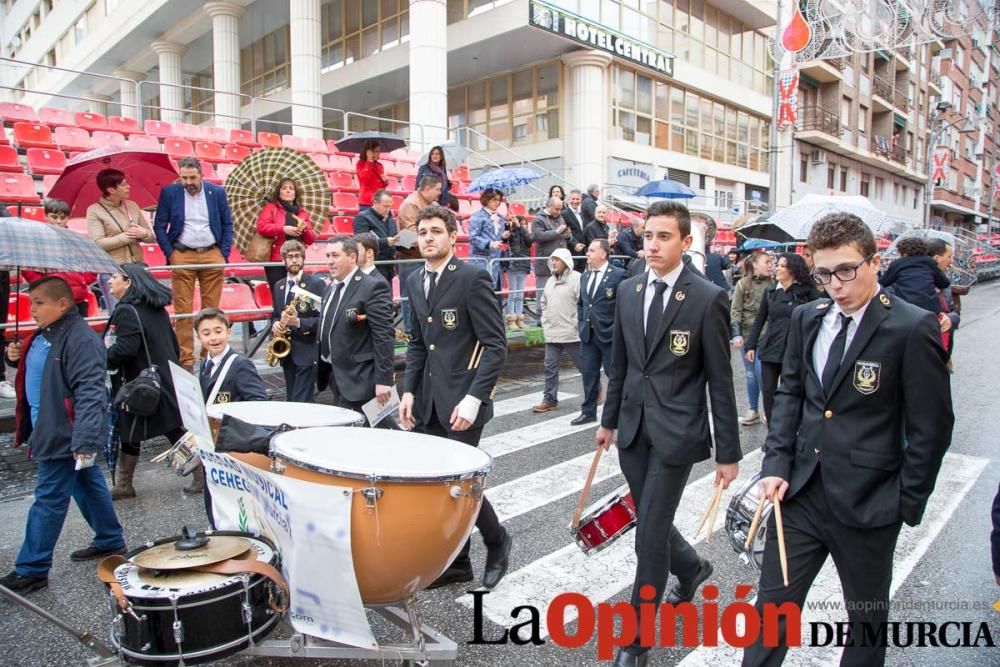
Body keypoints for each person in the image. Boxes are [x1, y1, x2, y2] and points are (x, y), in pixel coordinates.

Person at [742, 213, 954, 667]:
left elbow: (931, 427)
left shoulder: (911, 327)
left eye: (845, 270)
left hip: (869, 503)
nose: (834, 284)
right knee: (771, 615)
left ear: (875, 262)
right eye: (823, 273)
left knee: (865, 626)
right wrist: (775, 466)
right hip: (800, 496)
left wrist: (903, 501)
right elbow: (791, 397)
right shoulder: (807, 318)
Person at [596, 201, 740, 667]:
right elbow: (619, 362)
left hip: (678, 433)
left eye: (662, 237)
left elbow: (720, 380)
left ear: (685, 242)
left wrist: (728, 453)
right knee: (651, 521)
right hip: (634, 430)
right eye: (647, 236)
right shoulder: (629, 289)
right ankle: (692, 567)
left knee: (649, 535)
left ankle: (636, 643)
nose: (652, 245)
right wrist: (608, 420)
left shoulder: (707, 297)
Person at [399, 204, 512, 590]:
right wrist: (409, 390)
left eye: (435, 231)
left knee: (463, 483)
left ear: (451, 236)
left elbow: (495, 345)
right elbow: (417, 343)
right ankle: (458, 563)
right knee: (441, 485)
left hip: (463, 401)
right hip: (429, 398)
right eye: (423, 232)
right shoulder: (414, 280)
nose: (428, 237)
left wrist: (474, 398)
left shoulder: (471, 279)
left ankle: (497, 541)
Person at [0, 277, 126, 593]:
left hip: (63, 431)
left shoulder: (80, 338)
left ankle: (32, 568)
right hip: (50, 425)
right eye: (31, 303)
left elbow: (91, 392)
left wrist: (84, 440)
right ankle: (110, 538)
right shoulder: (46, 334)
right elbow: (39, 371)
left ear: (62, 304)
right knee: (86, 482)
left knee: (49, 498)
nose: (32, 310)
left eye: (39, 303)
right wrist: (13, 357)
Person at [103, 263, 184, 500]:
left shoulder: (127, 310)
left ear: (128, 282)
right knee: (142, 430)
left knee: (167, 430)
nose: (109, 281)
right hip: (160, 379)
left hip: (140, 384)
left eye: (114, 277)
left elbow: (125, 349)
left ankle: (200, 473)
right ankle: (125, 484)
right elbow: (174, 345)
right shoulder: (156, 308)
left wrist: (102, 356)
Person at [153, 156, 234, 371]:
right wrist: (170, 254)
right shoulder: (170, 192)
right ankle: (186, 360)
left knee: (212, 309)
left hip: (212, 253)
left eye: (192, 177)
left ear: (202, 175)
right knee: (183, 310)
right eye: (184, 177)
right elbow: (159, 225)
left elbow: (227, 223)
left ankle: (210, 355)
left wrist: (223, 252)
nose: (188, 181)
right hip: (182, 254)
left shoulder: (216, 192)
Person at [188, 307, 268, 502]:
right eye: (206, 333)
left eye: (218, 331)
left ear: (228, 332)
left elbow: (259, 403)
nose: (213, 338)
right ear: (198, 337)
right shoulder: (206, 364)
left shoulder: (240, 364)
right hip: (214, 443)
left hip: (234, 442)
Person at [315, 236, 395, 418]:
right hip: (335, 375)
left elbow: (384, 336)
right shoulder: (329, 289)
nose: (329, 261)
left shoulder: (373, 286)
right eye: (327, 255)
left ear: (352, 257)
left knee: (379, 429)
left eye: (335, 255)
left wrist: (384, 381)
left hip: (362, 379)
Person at [744, 253, 821, 424]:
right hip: (771, 348)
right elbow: (760, 319)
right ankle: (773, 433)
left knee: (791, 391)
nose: (776, 268)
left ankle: (791, 430)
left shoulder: (807, 292)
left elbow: (822, 313)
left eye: (781, 265)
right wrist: (750, 345)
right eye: (776, 264)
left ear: (792, 269)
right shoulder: (770, 292)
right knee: (769, 392)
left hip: (795, 350)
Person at [86, 168, 155, 311]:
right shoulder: (94, 210)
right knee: (120, 312)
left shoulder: (132, 206)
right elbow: (97, 243)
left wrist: (143, 233)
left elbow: (151, 236)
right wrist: (125, 238)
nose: (128, 186)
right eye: (123, 184)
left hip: (138, 268)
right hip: (113, 272)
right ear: (111, 189)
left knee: (144, 311)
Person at [573, 239, 625, 426]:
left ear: (603, 254)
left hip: (609, 335)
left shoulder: (618, 275)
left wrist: (614, 328)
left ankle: (620, 412)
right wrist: (581, 323)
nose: (587, 254)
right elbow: (582, 304)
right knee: (589, 375)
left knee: (615, 375)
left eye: (592, 251)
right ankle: (588, 411)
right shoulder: (585, 276)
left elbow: (623, 306)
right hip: (588, 335)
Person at [269, 240, 325, 403]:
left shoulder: (316, 284)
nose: (294, 260)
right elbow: (275, 314)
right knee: (292, 399)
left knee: (302, 402)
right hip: (286, 353)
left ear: (303, 259)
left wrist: (298, 323)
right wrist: (275, 324)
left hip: (306, 352)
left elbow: (322, 320)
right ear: (283, 260)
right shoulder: (278, 285)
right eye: (290, 256)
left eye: (298, 256)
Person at [24, 199, 96, 318]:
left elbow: (92, 264)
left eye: (62, 218)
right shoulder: (36, 240)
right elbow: (28, 269)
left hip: (77, 299)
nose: (58, 221)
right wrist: (44, 284)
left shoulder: (77, 239)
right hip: (49, 299)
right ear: (46, 216)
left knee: (78, 335)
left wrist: (82, 280)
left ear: (68, 218)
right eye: (54, 217)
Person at [534, 248, 582, 413]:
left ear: (566, 261)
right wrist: (545, 319)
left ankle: (595, 390)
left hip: (571, 333)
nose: (554, 263)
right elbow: (543, 302)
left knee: (584, 366)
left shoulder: (577, 279)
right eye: (552, 260)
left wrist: (575, 322)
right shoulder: (550, 280)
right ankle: (549, 399)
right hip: (552, 332)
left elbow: (582, 303)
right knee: (550, 367)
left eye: (557, 260)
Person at [730, 252, 773, 425]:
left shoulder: (774, 284)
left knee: (762, 373)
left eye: (771, 262)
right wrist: (736, 334)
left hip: (767, 337)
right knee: (750, 375)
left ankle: (769, 409)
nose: (770, 265)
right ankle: (753, 409)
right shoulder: (742, 284)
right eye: (767, 262)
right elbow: (736, 310)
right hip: (748, 337)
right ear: (755, 264)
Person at [397, 176, 444, 334]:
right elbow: (408, 234)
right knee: (410, 294)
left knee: (430, 293)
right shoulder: (410, 204)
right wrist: (433, 238)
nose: (439, 192)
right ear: (427, 188)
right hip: (409, 255)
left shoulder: (435, 205)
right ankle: (411, 331)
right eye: (437, 189)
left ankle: (428, 327)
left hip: (428, 256)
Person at [255, 177, 317, 291]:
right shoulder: (271, 207)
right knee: (279, 293)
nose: (288, 190)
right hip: (276, 259)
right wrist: (283, 229)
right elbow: (261, 227)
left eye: (291, 188)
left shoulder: (302, 212)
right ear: (279, 192)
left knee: (297, 294)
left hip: (296, 259)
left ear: (295, 193)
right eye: (284, 188)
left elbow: (310, 239)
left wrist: (305, 229)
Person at [879, 236, 950, 315]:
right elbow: (944, 283)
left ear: (904, 252)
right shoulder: (930, 262)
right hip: (930, 309)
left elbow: (882, 283)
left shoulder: (898, 264)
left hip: (905, 307)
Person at [352, 189, 399, 285]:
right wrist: (386, 242)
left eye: (390, 206)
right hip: (372, 266)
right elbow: (362, 243)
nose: (388, 209)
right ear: (375, 203)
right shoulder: (362, 218)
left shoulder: (390, 219)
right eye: (385, 206)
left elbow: (394, 238)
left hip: (388, 266)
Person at [468, 188, 508, 292]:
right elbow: (472, 237)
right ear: (486, 200)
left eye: (498, 200)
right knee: (482, 293)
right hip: (481, 261)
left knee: (496, 295)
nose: (497, 202)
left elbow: (499, 239)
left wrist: (503, 236)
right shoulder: (477, 216)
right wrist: (490, 244)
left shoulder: (500, 217)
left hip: (496, 263)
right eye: (494, 199)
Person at [927, 238, 960, 357]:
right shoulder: (913, 283)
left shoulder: (944, 282)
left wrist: (950, 319)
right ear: (937, 258)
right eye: (949, 256)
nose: (951, 261)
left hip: (944, 351)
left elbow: (955, 313)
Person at [531, 197, 568, 293]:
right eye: (557, 209)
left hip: (560, 263)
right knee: (543, 293)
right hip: (545, 264)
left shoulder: (560, 218)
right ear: (549, 206)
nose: (559, 212)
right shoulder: (538, 219)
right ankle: (540, 309)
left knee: (557, 294)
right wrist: (556, 232)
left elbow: (562, 236)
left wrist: (568, 236)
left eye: (560, 209)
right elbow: (537, 236)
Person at [504, 213, 533, 329]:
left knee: (520, 293)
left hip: (524, 264)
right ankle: (511, 318)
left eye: (525, 224)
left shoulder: (526, 235)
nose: (524, 226)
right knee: (513, 293)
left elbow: (530, 240)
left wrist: (521, 228)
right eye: (521, 224)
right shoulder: (512, 233)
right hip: (513, 264)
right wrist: (510, 223)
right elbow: (505, 236)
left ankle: (520, 318)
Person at [356, 140, 388, 209]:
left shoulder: (380, 165)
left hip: (378, 201)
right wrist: (369, 161)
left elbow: (380, 186)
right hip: (366, 202)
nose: (379, 153)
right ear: (368, 152)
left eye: (379, 151)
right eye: (376, 151)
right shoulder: (360, 163)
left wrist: (385, 182)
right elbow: (364, 179)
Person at [562, 190, 588, 271]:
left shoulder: (582, 214)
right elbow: (564, 233)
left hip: (583, 251)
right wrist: (574, 244)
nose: (575, 201)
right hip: (571, 251)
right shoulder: (564, 214)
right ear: (569, 200)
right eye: (573, 199)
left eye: (577, 199)